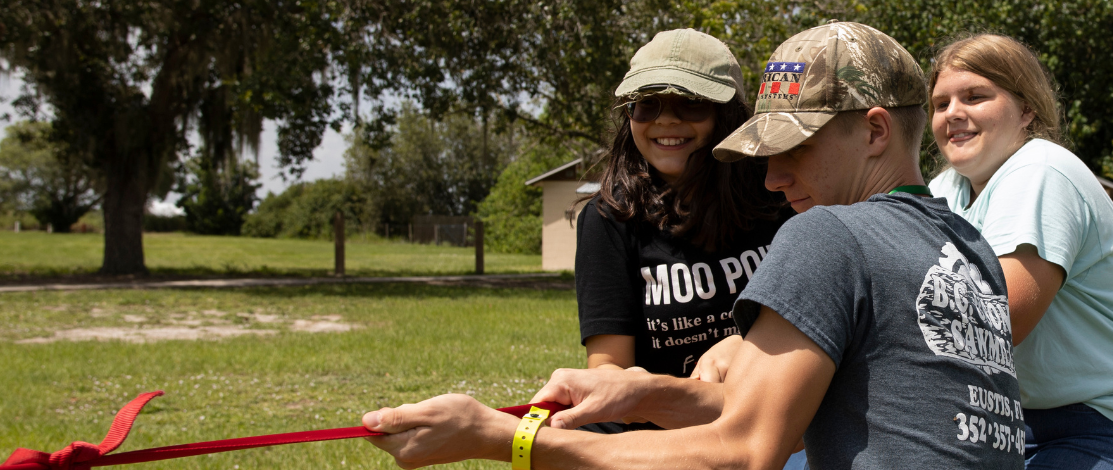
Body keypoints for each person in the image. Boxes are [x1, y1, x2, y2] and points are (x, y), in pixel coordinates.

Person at [359, 22, 1025, 470]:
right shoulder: (964, 242)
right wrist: (637, 392)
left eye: (794, 149)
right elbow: (780, 407)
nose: (772, 177)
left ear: (874, 131)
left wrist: (501, 436)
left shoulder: (826, 234)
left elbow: (747, 447)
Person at [924, 33, 1113, 469]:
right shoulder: (945, 191)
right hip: (1013, 419)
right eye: (940, 103)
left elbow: (999, 321)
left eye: (974, 96)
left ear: (1027, 109)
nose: (953, 113)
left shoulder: (1041, 169)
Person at [575, 28, 786, 393]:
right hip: (667, 434)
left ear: (729, 115)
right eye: (646, 104)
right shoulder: (608, 219)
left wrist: (747, 344)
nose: (666, 120)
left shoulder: (778, 193)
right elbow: (608, 366)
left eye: (691, 102)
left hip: (781, 424)